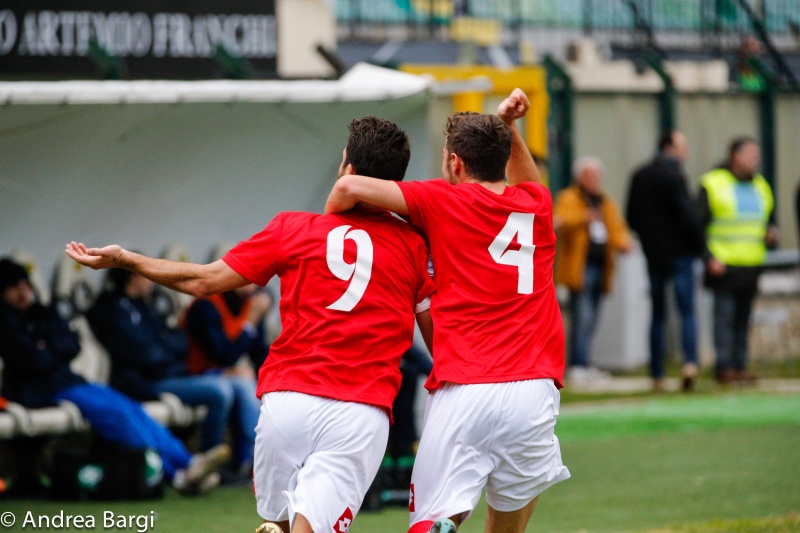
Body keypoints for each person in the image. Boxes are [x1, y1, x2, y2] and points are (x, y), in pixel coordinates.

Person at [66, 116, 435, 533]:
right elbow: (436, 338)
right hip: (357, 409)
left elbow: (202, 281)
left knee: (275, 524)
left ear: (347, 170)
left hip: (287, 403)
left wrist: (127, 259)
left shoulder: (292, 228)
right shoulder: (414, 246)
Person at [325, 89, 570, 533]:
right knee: (510, 519)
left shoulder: (442, 199)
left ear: (455, 162)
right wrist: (508, 126)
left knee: (435, 514)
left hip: (466, 384)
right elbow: (529, 180)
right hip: (534, 388)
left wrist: (327, 232)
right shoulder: (537, 205)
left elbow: (348, 187)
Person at [0, 258, 228, 495]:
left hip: (71, 382)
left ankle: (188, 461)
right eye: (15, 288)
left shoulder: (40, 313)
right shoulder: (5, 321)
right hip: (39, 392)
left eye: (25, 286)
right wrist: (49, 349)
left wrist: (45, 347)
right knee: (119, 416)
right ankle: (175, 474)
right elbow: (31, 360)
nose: (23, 293)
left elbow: (72, 343)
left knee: (132, 409)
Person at [87, 268, 239, 461]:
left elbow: (180, 341)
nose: (151, 281)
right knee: (220, 390)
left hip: (169, 374)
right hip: (142, 382)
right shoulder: (112, 309)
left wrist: (159, 345)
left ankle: (231, 459)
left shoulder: (146, 305)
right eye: (146, 276)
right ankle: (208, 455)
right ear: (133, 278)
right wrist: (161, 346)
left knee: (236, 384)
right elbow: (139, 353)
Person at [626, 130, 706, 392]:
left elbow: (632, 217)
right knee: (686, 311)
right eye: (683, 147)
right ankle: (690, 362)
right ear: (669, 148)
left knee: (657, 313)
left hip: (654, 254)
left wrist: (651, 239)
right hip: (680, 254)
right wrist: (701, 248)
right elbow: (688, 217)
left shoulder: (640, 176)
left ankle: (657, 373)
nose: (686, 153)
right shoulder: (675, 177)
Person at [697, 137, 777, 384]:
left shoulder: (761, 185)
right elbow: (697, 226)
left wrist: (771, 234)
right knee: (725, 318)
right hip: (724, 264)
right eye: (751, 154)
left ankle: (739, 365)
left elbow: (769, 220)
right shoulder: (713, 183)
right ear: (735, 156)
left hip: (751, 263)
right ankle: (724, 367)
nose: (756, 160)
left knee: (743, 320)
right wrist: (708, 257)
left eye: (757, 155)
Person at [553, 157, 633, 383]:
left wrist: (624, 243)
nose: (594, 181)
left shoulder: (604, 201)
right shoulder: (569, 198)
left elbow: (615, 227)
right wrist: (583, 217)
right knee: (583, 317)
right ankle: (578, 364)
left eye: (597, 176)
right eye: (589, 176)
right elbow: (559, 221)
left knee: (593, 317)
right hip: (579, 268)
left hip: (601, 267)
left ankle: (585, 362)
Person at [183, 284, 271, 478]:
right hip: (193, 373)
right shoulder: (206, 305)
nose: (251, 287)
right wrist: (250, 323)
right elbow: (224, 355)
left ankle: (251, 460)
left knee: (256, 381)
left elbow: (259, 353)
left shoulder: (247, 303)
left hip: (224, 373)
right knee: (241, 385)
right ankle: (252, 459)